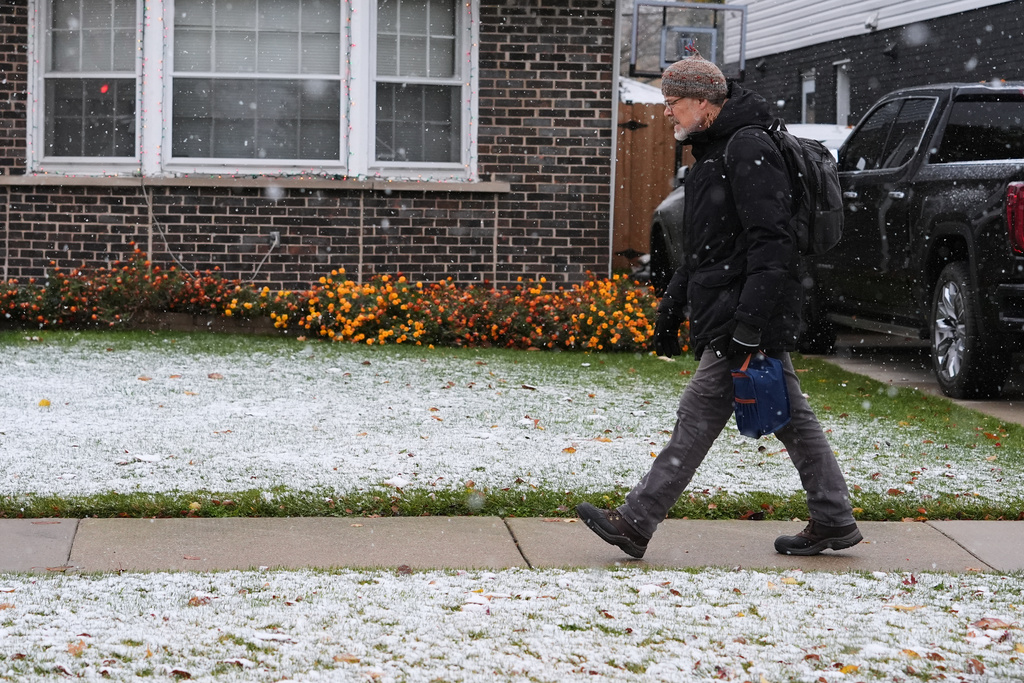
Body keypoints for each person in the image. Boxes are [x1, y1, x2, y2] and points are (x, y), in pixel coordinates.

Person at [577, 49, 861, 558]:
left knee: (699, 415)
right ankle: (834, 518)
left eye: (674, 101)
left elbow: (771, 243)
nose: (667, 111)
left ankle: (636, 522)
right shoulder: (717, 149)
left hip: (746, 312)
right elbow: (709, 245)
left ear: (706, 102)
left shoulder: (748, 147)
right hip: (734, 308)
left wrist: (750, 324)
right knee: (792, 420)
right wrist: (673, 304)